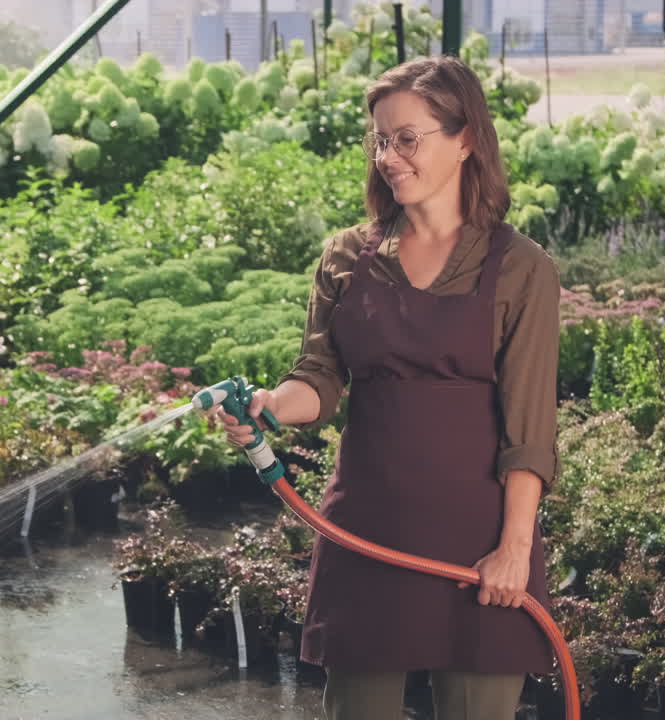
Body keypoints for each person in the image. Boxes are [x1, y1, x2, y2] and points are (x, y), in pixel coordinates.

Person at [217, 56, 562, 720]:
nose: (389, 156)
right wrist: (269, 406)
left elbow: (530, 432)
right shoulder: (348, 258)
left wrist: (514, 549)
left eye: (408, 138)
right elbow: (317, 380)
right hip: (366, 533)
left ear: (465, 140)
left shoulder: (522, 269)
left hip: (478, 544)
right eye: (381, 139)